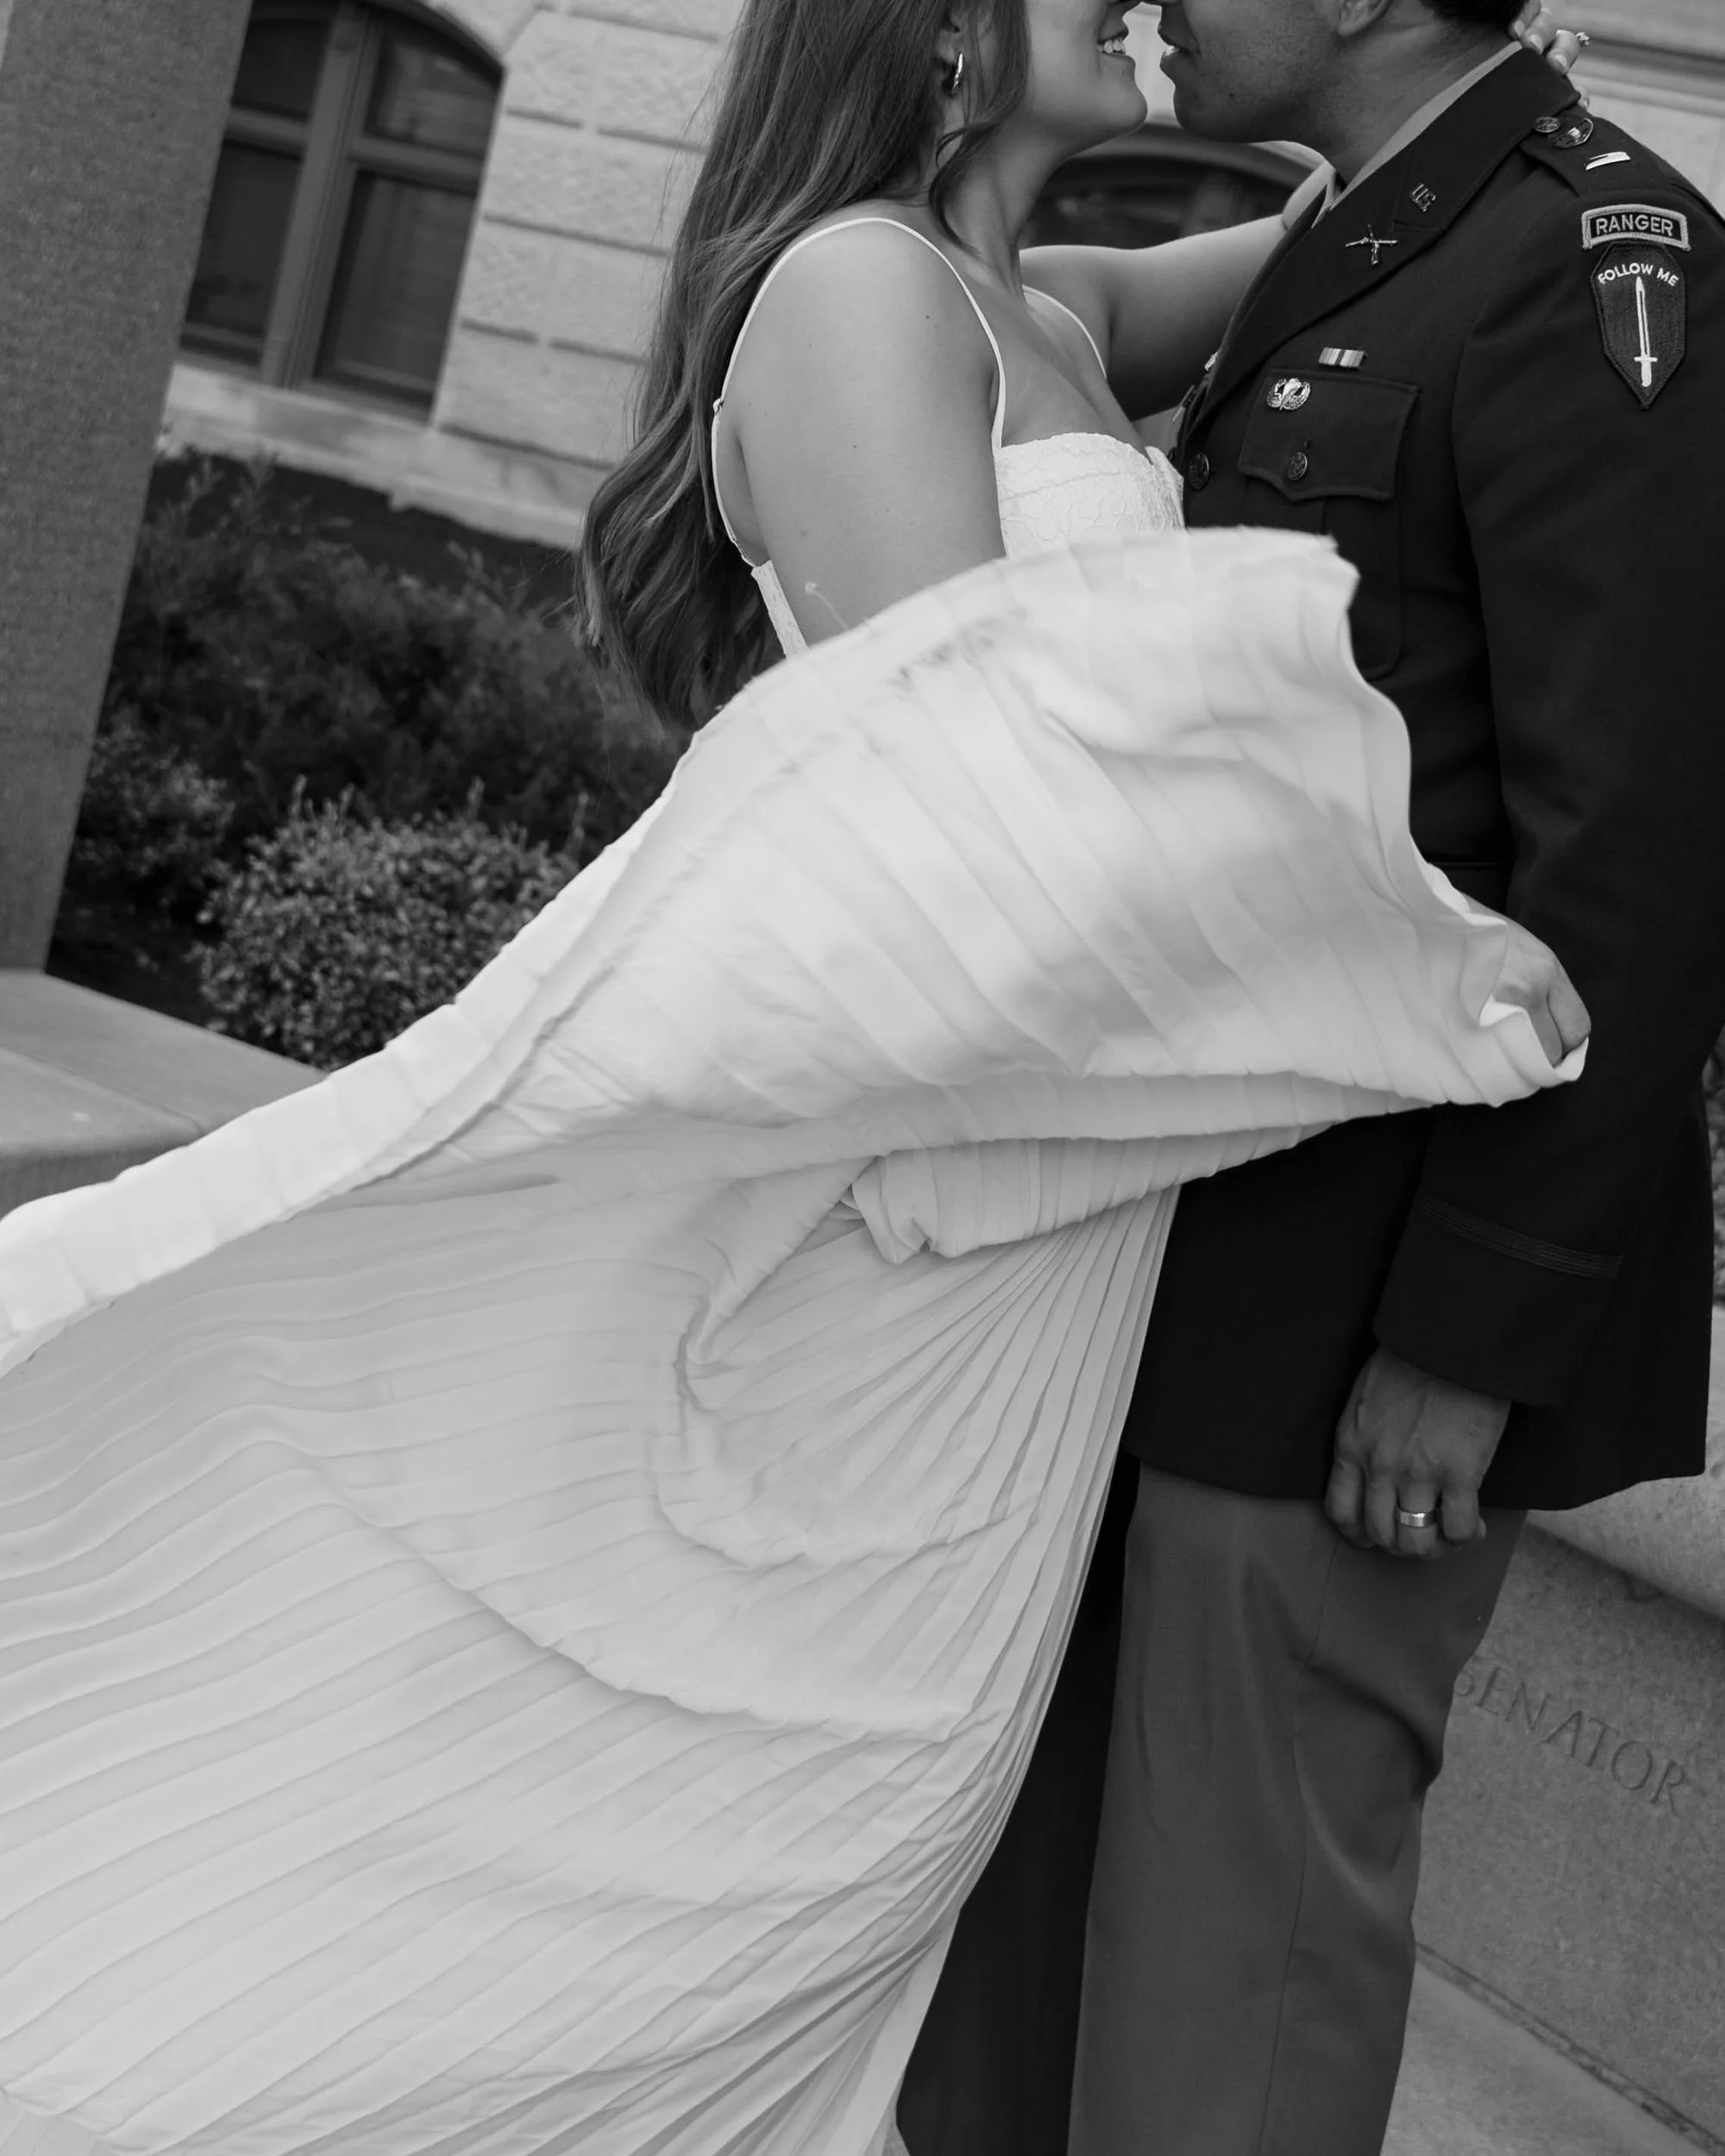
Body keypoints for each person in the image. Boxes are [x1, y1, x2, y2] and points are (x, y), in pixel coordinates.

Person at [0, 6, 1584, 2156]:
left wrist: (1499, 59)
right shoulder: (853, 292)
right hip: (895, 1264)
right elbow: (987, 837)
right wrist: (1382, 943)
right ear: (938, 25)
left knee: (852, 1878)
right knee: (720, 1859)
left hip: (1048, 1274)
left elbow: (1373, 208)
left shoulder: (1053, 305)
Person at [903, 6, 1725, 2155]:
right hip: (1180, 1285)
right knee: (1029, 1994)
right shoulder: (1349, 233)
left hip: (1361, 1338)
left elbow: (1634, 853)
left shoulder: (1602, 263)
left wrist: (1471, 1329)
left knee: (1223, 2012)